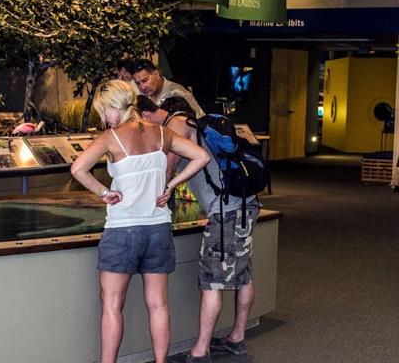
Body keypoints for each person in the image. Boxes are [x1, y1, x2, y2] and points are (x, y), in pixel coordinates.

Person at [70, 80, 210, 363]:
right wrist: (171, 183)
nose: (103, 117)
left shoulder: (111, 138)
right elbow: (201, 156)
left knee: (111, 305)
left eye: (103, 111)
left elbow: (78, 168)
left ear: (111, 107)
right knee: (158, 304)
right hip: (158, 227)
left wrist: (105, 192)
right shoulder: (161, 133)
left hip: (122, 231)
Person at [136, 95, 261, 363]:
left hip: (226, 212)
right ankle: (237, 338)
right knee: (244, 274)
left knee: (212, 282)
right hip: (244, 205)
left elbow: (165, 171)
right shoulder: (195, 124)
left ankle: (200, 351)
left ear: (147, 116)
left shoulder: (176, 125)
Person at [131, 59, 205, 118]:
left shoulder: (177, 94)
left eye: (145, 80)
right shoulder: (138, 94)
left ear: (156, 74)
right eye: (137, 83)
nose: (142, 87)